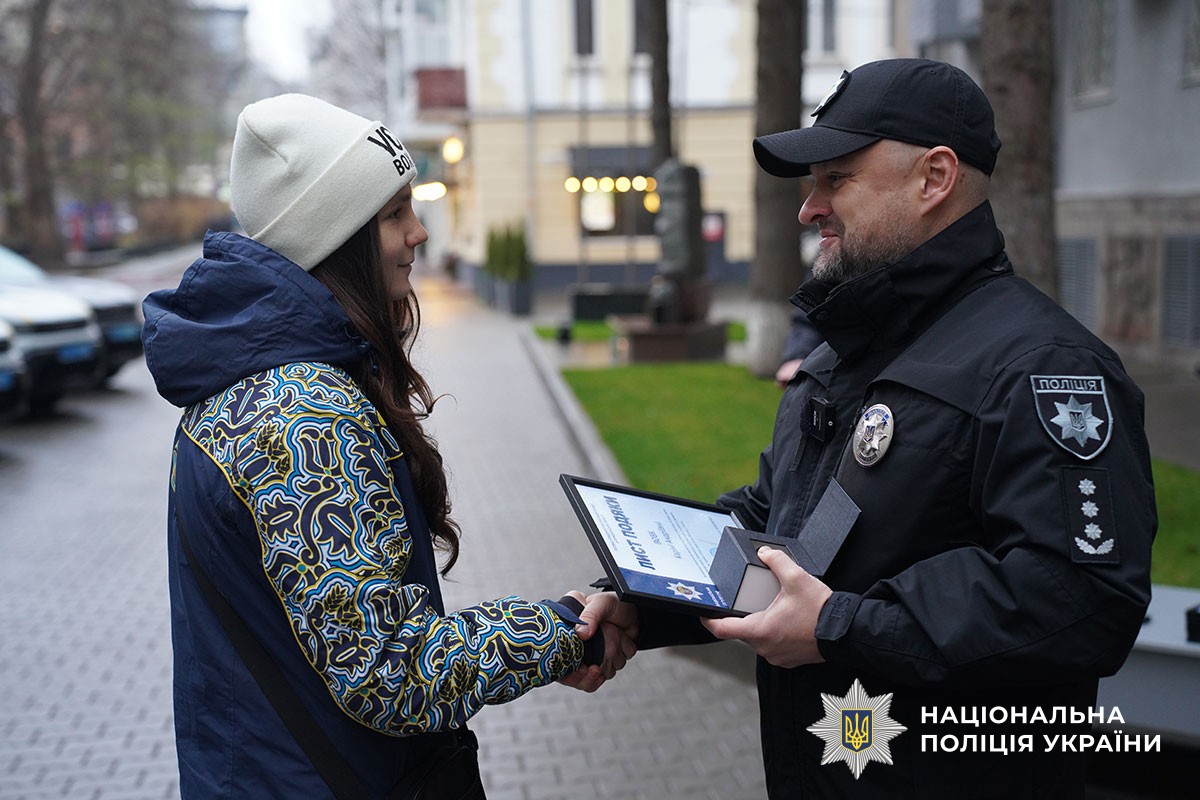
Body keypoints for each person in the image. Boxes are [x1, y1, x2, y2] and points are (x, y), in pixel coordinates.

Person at [570, 58, 1155, 799]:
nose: (808, 209)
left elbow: (1081, 598)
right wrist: (642, 601)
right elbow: (782, 525)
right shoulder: (843, 353)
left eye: (836, 180)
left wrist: (840, 626)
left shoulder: (1046, 368)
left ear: (934, 178)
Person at [142, 94, 630, 799]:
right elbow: (387, 672)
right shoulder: (303, 418)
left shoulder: (250, 378)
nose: (419, 232)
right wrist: (561, 630)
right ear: (335, 236)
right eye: (395, 213)